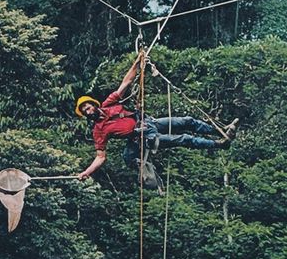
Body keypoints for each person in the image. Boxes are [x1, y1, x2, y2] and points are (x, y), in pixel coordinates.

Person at [76, 54, 238, 181]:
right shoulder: (99, 131)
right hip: (144, 137)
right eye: (85, 111)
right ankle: (219, 144)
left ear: (94, 105)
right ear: (86, 115)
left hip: (148, 122)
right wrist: (87, 172)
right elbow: (100, 157)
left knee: (187, 121)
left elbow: (126, 82)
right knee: (184, 138)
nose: (89, 111)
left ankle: (221, 131)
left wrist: (138, 63)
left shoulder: (108, 104)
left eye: (89, 107)